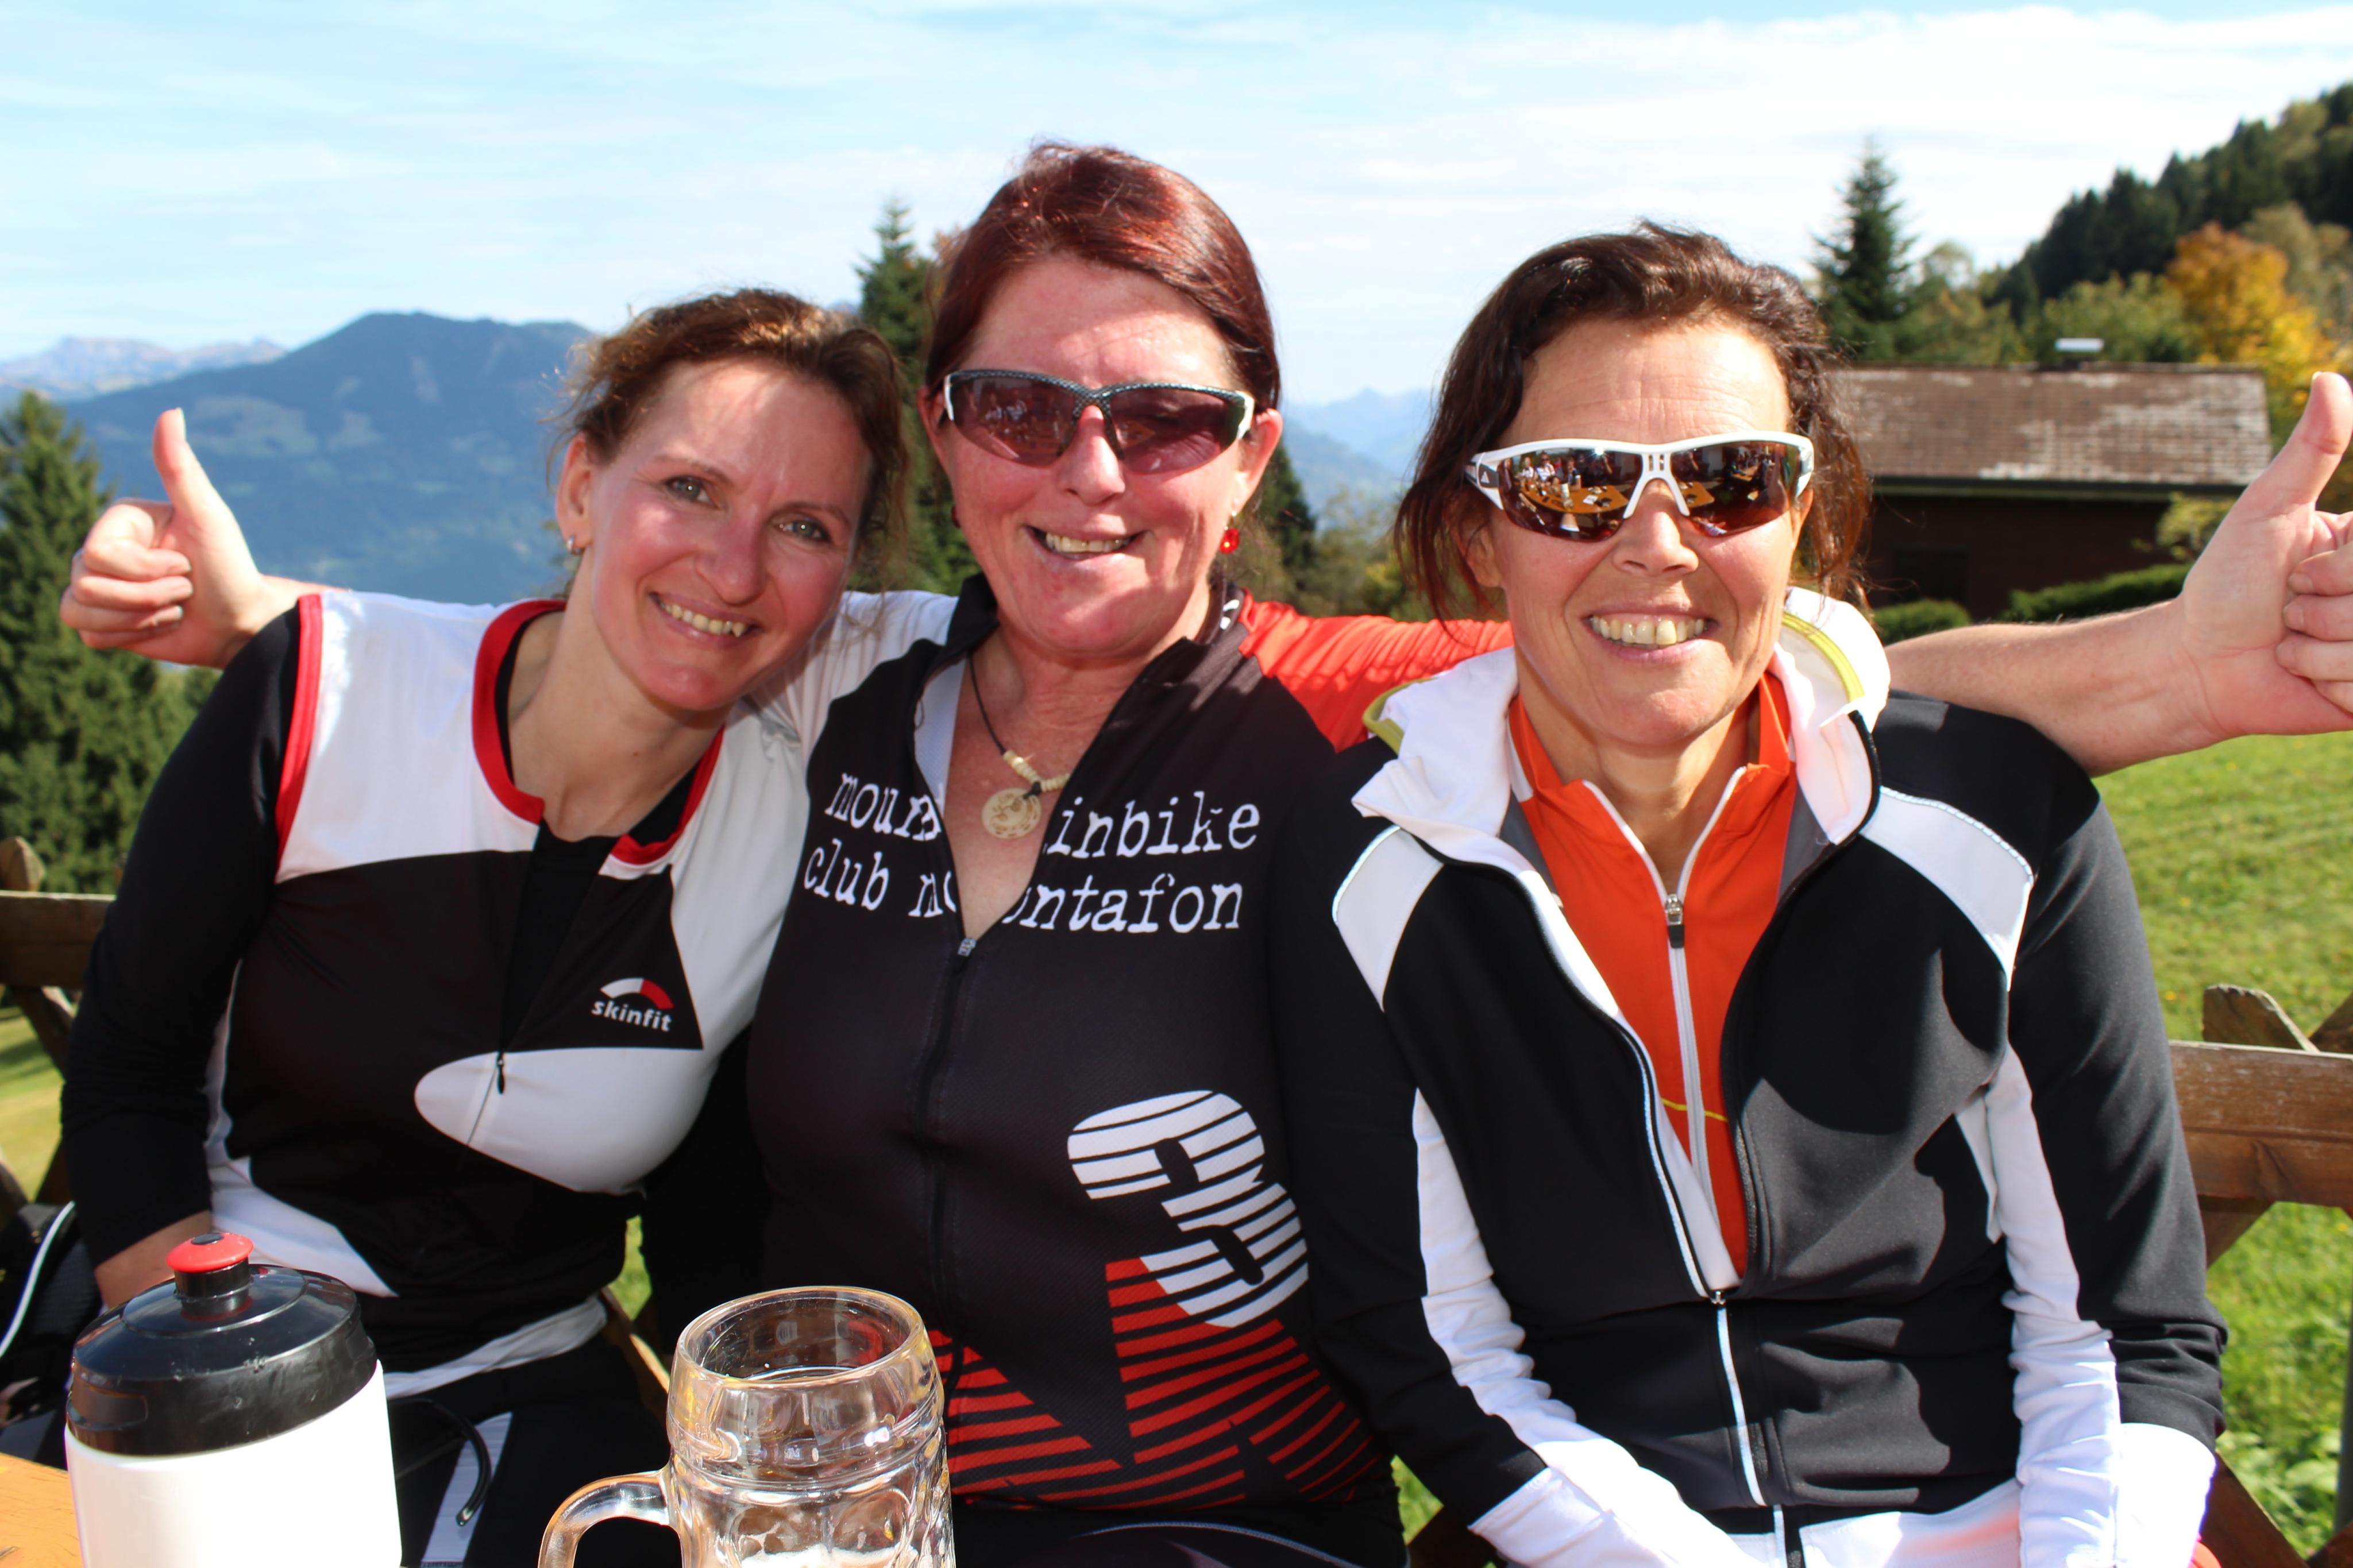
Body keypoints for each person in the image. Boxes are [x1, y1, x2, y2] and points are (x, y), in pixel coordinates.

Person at [59, 146, 2353, 1568]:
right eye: (1018, 407)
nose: (1090, 470)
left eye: (1163, 417)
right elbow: (640, 617)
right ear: (948, 438)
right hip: (835, 1515)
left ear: (1248, 458)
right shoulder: (840, 678)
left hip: (1219, 1524)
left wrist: (2178, 662)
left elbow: (1708, 656)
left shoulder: (1341, 703)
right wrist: (275, 628)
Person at [1266, 225, 2230, 1568]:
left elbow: (2120, 1330)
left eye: (1729, 481)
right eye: (1573, 485)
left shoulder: (1999, 818)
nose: (1657, 546)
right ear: (1479, 533)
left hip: (2009, 1526)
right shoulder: (1365, 865)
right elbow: (1434, 1348)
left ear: (1800, 519)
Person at [58, 288, 908, 1567]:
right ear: (580, 488)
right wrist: (219, 1391)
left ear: (844, 579)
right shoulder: (316, 689)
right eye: (688, 488)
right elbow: (129, 1071)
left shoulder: (785, 834)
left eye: (804, 526)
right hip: (201, 1354)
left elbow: (711, 1218)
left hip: (525, 1401)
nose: (734, 569)